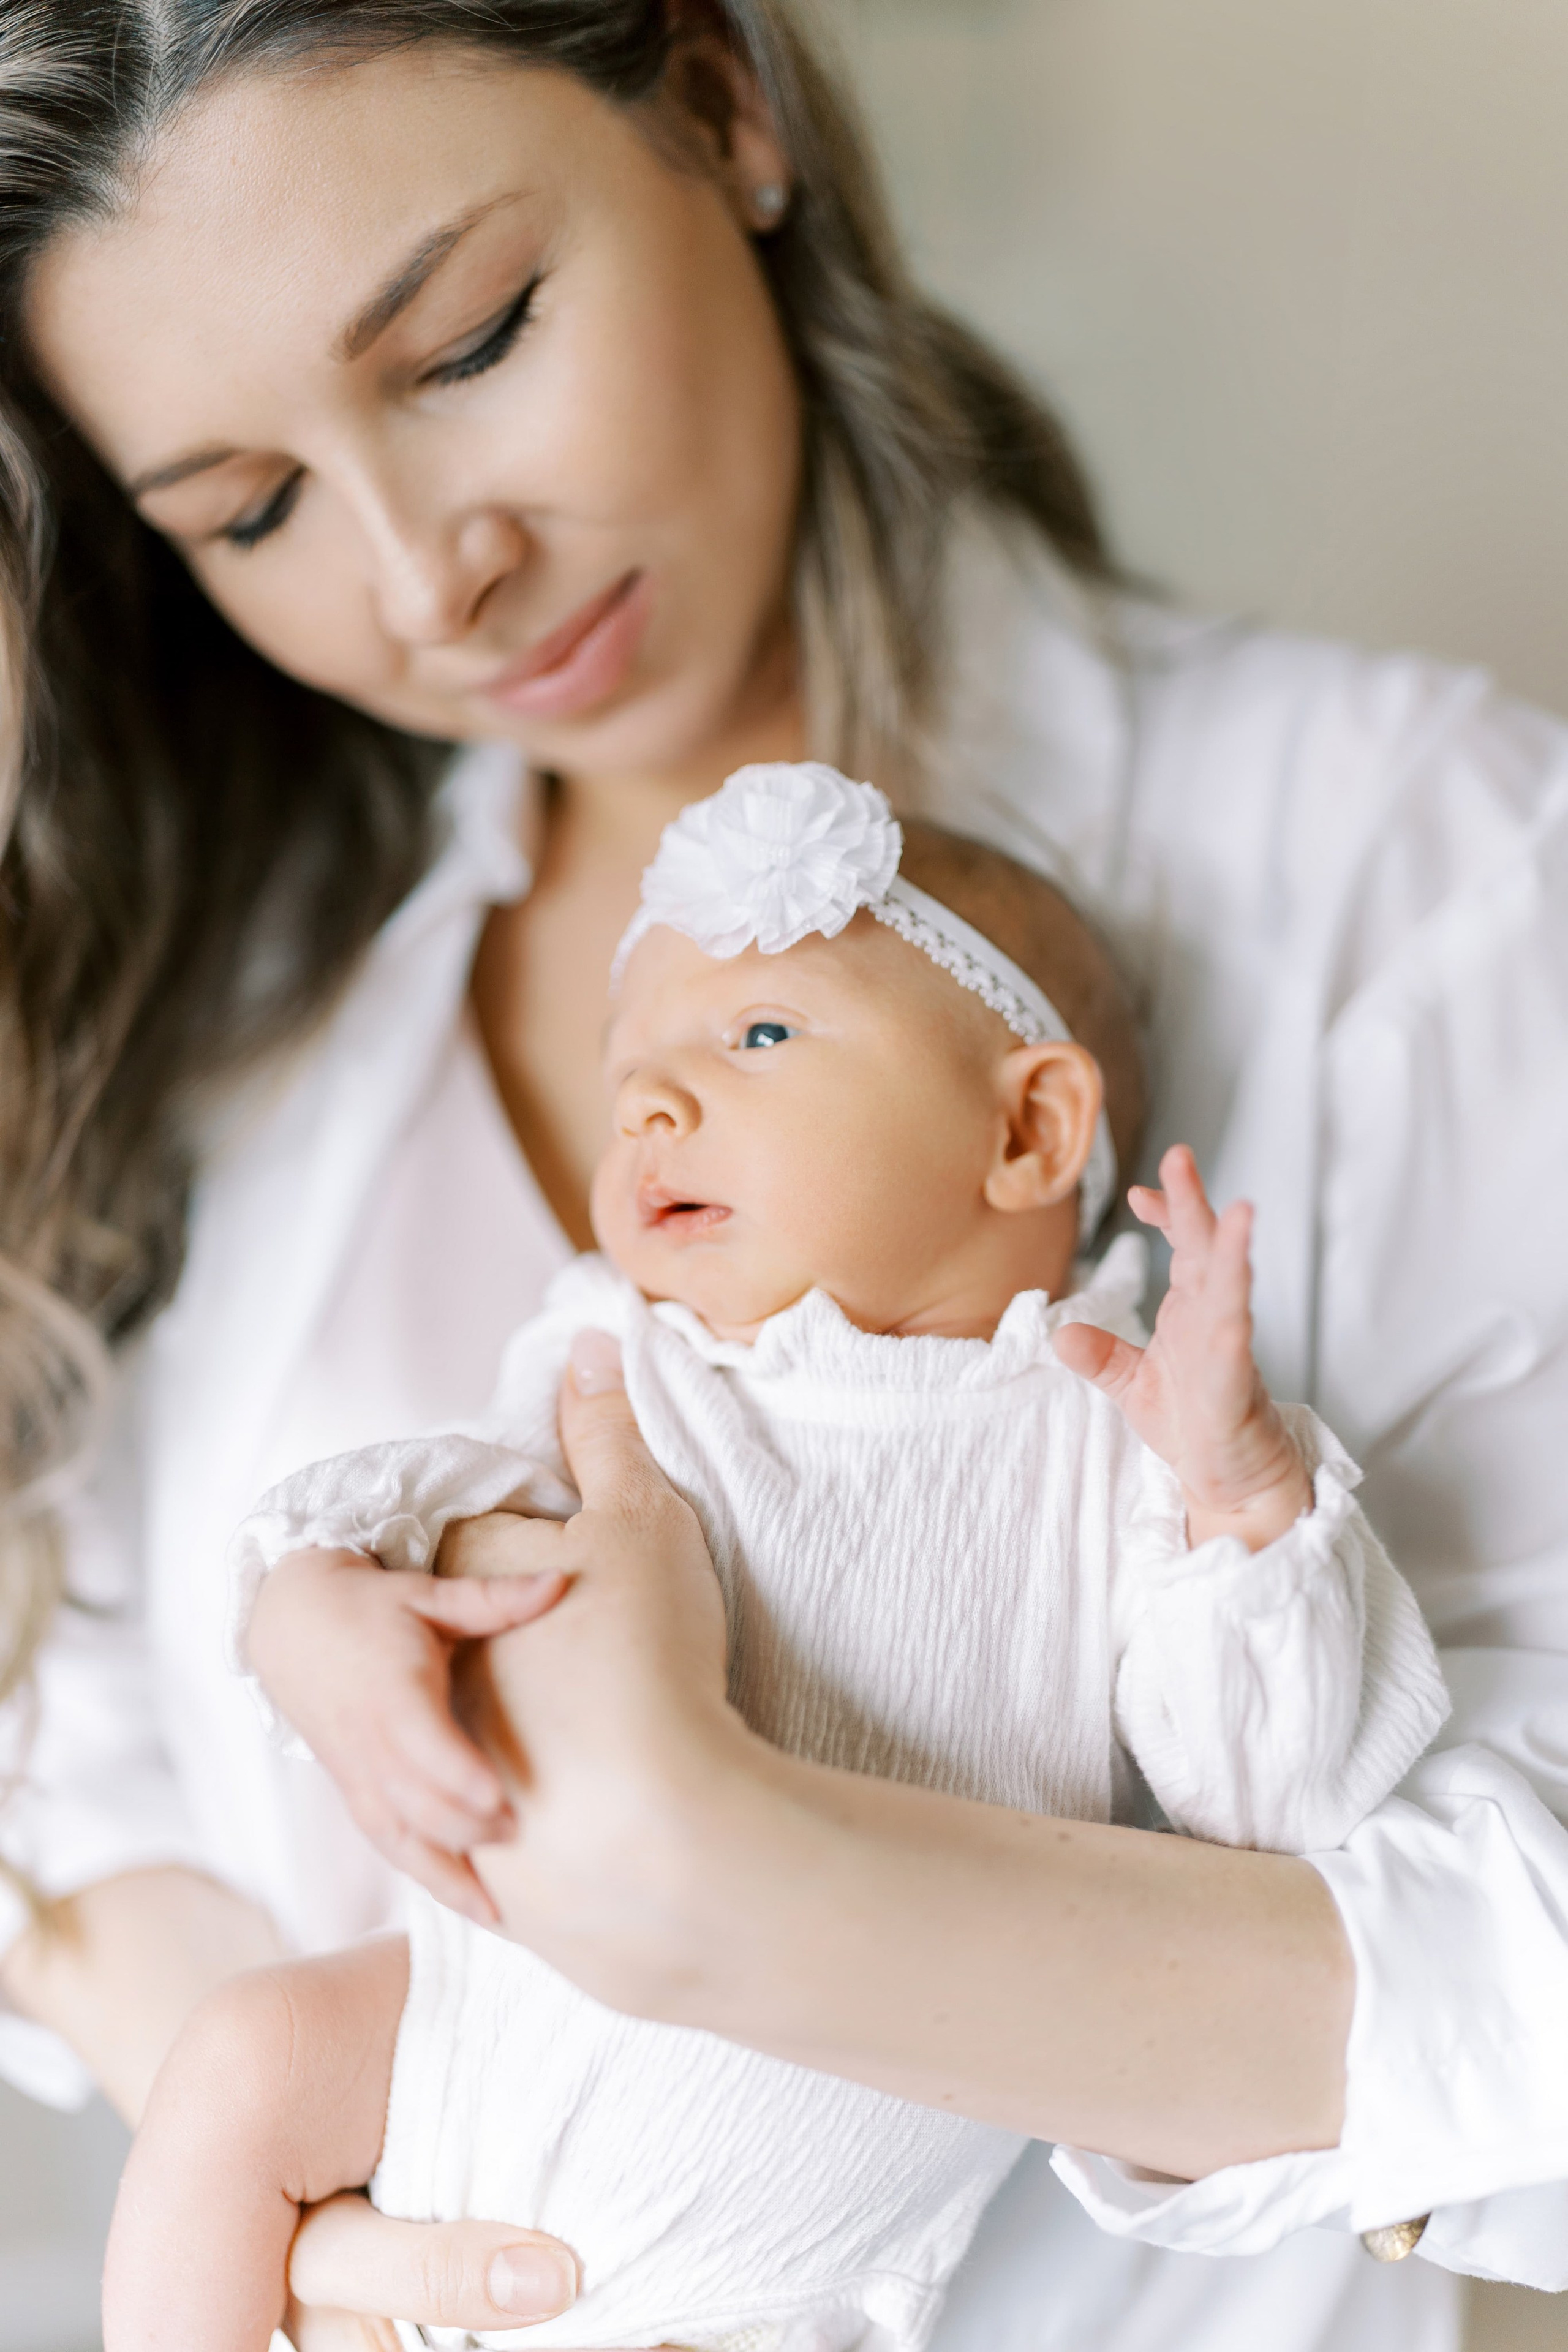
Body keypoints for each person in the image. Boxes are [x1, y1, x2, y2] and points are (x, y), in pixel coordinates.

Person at [0, 6, 1560, 2350]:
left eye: (470, 341)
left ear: (727, 104)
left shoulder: (1410, 858)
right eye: (250, 510)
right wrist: (314, 2202)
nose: (436, 580)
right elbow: (83, 1765)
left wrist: (753, 1891)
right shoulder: (232, 995)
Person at [101, 770, 1449, 2352]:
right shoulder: (632, 1357)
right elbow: (420, 1500)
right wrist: (312, 1612)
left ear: (1029, 1129)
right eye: (632, 1085)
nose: (655, 1109)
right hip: (471, 2046)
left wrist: (1242, 1498)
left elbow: (1272, 1800)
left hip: (783, 2266)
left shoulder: (1113, 1429)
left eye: (756, 1038)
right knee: (242, 2069)